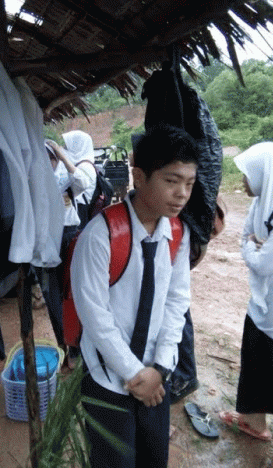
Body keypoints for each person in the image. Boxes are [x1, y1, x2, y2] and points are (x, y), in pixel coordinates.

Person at [71, 127, 198, 468]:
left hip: (156, 375)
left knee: (153, 456)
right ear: (139, 177)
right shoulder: (101, 234)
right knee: (115, 459)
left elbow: (176, 302)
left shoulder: (176, 232)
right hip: (108, 379)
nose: (182, 193)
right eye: (172, 180)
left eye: (189, 182)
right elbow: (94, 314)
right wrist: (133, 373)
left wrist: (161, 365)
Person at [219, 142, 273, 442]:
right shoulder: (262, 202)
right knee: (256, 364)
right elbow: (247, 240)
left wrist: (254, 245)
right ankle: (254, 422)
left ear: (264, 173)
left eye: (248, 174)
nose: (244, 181)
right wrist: (254, 244)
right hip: (261, 305)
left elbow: (265, 263)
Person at [35, 140, 90, 365]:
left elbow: (83, 181)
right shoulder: (31, 182)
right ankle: (63, 345)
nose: (48, 162)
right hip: (43, 243)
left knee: (73, 293)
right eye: (44, 157)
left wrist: (61, 153)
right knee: (52, 296)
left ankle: (78, 346)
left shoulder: (64, 180)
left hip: (68, 238)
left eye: (52, 157)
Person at [62, 130, 97, 228]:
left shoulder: (85, 166)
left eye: (68, 146)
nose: (65, 149)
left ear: (77, 147)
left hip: (81, 212)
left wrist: (63, 158)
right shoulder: (81, 164)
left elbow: (80, 183)